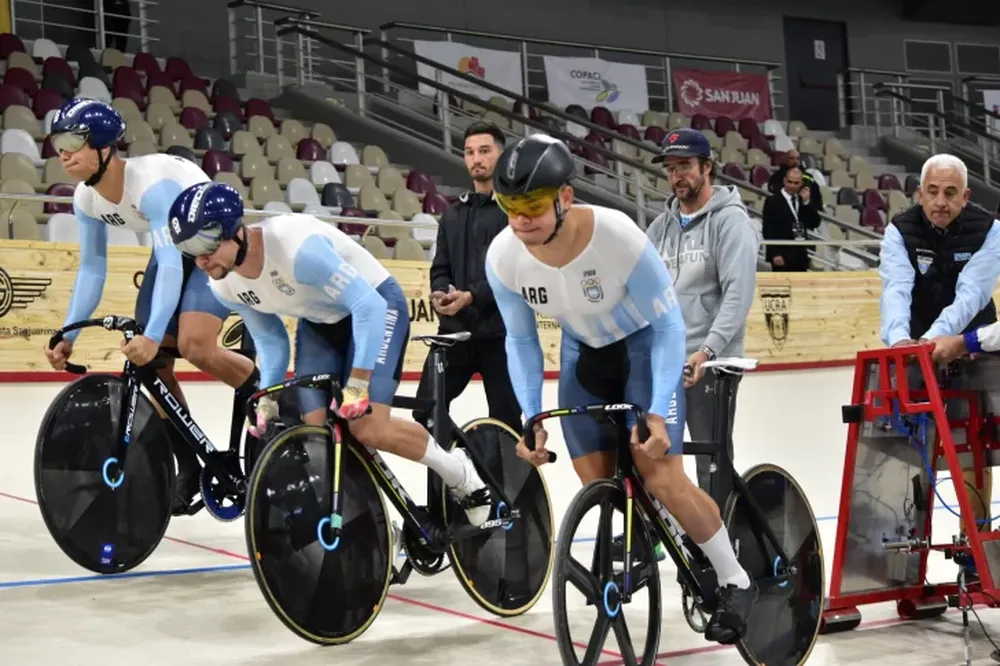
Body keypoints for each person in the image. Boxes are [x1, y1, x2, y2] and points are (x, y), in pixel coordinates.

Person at [484, 134, 756, 644]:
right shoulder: (503, 257)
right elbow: (520, 340)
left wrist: (657, 412)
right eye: (509, 207)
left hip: (643, 348)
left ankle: (734, 576)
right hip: (584, 356)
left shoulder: (616, 235)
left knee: (662, 476)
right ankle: (658, 535)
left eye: (533, 205)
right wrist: (530, 416)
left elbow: (670, 326)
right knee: (599, 484)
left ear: (565, 198)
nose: (521, 220)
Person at [166, 182, 493, 527]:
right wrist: (268, 397)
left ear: (234, 230)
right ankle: (374, 528)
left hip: (376, 304)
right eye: (188, 249)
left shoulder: (297, 250)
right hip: (322, 321)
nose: (200, 260)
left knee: (368, 427)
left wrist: (358, 385)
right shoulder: (224, 283)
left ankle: (458, 471)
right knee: (316, 431)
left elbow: (369, 306)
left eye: (204, 245)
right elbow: (271, 341)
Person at [40, 98, 258, 515]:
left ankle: (263, 393)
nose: (62, 153)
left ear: (104, 145)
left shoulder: (150, 185)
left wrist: (155, 334)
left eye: (72, 142)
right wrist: (69, 333)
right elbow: (92, 270)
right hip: (173, 248)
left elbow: (174, 265)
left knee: (193, 344)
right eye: (57, 144)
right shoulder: (86, 199)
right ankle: (189, 465)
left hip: (213, 247)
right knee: (149, 364)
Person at [879, 153, 1000, 536]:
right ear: (920, 193)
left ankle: (973, 542)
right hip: (914, 346)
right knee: (909, 450)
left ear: (966, 196)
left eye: (950, 193)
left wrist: (934, 342)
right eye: (932, 192)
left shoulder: (991, 230)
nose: (940, 202)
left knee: (972, 448)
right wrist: (900, 341)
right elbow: (896, 289)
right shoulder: (899, 230)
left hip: (969, 347)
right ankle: (908, 547)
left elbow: (971, 294)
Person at [645, 128, 760, 494]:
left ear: (707, 167)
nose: (676, 176)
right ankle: (670, 525)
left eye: (684, 166)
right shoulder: (659, 228)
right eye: (670, 168)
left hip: (712, 362)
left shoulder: (731, 222)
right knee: (655, 455)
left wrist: (707, 350)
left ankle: (721, 526)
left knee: (710, 462)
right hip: (667, 361)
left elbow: (738, 295)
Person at [414, 122, 521, 432]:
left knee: (507, 425)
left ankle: (496, 463)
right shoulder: (452, 214)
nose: (476, 159)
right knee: (424, 411)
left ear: (501, 156)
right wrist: (439, 292)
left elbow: (515, 273)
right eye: (470, 152)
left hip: (501, 334)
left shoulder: (516, 212)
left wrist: (473, 295)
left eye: (484, 151)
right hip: (454, 332)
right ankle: (464, 460)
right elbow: (440, 268)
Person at [761, 166, 820, 272]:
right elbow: (768, 229)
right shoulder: (773, 201)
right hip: (781, 255)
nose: (792, 185)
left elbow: (815, 222)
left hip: (800, 255)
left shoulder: (803, 200)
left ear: (801, 183)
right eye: (790, 182)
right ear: (784, 180)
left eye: (796, 183)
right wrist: (774, 254)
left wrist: (807, 202)